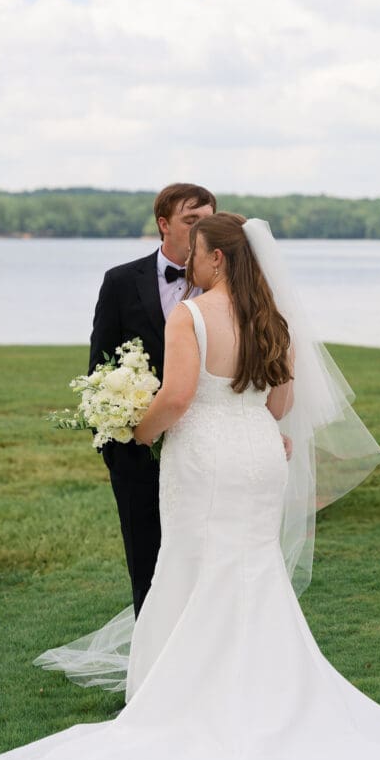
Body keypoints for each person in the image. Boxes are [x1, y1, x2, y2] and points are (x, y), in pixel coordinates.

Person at [0, 213, 380, 760]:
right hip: (257, 453)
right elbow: (281, 401)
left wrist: (134, 431)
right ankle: (268, 700)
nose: (188, 262)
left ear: (217, 258)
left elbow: (176, 396)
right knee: (250, 568)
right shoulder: (272, 317)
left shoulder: (190, 315)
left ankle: (191, 705)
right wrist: (249, 420)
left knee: (195, 566)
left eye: (195, 252)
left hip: (206, 459)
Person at [86, 182, 216, 617]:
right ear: (164, 225)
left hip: (207, 450)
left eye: (208, 221)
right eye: (190, 221)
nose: (201, 231)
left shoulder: (227, 289)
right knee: (147, 566)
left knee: (206, 562)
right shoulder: (120, 282)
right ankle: (153, 667)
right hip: (137, 455)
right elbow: (98, 371)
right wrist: (114, 445)